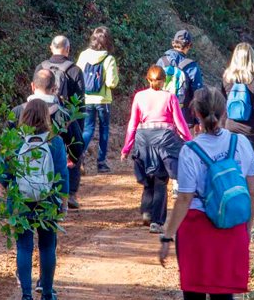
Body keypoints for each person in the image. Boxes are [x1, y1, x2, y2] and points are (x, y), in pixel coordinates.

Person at [158, 88, 254, 300]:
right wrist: (247, 229)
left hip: (197, 227)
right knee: (222, 296)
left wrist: (167, 237)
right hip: (231, 225)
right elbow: (252, 192)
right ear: (225, 111)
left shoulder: (191, 150)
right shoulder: (241, 143)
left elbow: (184, 198)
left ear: (195, 113)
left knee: (193, 298)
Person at [0, 99, 68, 300]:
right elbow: (62, 175)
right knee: (47, 246)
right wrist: (64, 202)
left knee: (24, 246)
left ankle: (25, 297)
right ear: (46, 117)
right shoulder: (55, 142)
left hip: (19, 201)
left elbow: (5, 172)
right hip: (47, 201)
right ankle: (47, 295)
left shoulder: (14, 141)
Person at [120, 66, 192, 233]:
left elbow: (133, 123)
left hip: (143, 138)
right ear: (165, 80)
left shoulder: (139, 96)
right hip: (164, 139)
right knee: (161, 180)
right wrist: (189, 141)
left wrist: (126, 148)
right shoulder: (170, 97)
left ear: (148, 79)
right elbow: (180, 123)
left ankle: (146, 211)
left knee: (148, 178)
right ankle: (157, 222)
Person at [36, 37, 85, 208]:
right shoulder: (75, 70)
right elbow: (79, 102)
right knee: (70, 154)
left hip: (40, 116)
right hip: (64, 118)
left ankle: (38, 187)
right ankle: (70, 193)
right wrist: (78, 127)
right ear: (68, 49)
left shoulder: (40, 68)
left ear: (51, 47)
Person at [76, 27, 119, 173]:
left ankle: (78, 157)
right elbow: (112, 83)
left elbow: (77, 75)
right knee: (104, 130)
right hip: (103, 100)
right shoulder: (109, 59)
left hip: (86, 99)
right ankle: (101, 163)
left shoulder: (83, 55)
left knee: (87, 129)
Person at [222, 43, 254, 150]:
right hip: (251, 128)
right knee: (251, 159)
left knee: (232, 158)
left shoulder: (227, 78)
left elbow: (223, 102)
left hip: (231, 125)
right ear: (251, 58)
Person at [157, 30, 205, 129]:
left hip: (161, 114)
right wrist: (198, 120)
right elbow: (198, 95)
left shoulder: (161, 61)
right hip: (183, 118)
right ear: (189, 45)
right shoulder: (191, 66)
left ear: (173, 43)